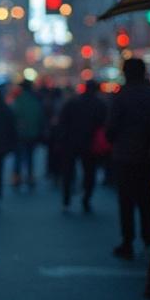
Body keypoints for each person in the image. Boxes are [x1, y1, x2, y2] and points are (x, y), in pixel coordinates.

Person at [106, 58, 150, 259]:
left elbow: (111, 128)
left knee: (126, 201)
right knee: (146, 198)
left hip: (125, 155)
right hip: (148, 156)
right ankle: (149, 239)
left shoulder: (121, 97)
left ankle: (127, 241)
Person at [57, 79, 108, 212]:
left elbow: (62, 123)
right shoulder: (100, 105)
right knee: (89, 173)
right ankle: (86, 199)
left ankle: (66, 200)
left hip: (70, 143)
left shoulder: (72, 103)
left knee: (68, 172)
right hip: (90, 144)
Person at [11, 80, 44, 188]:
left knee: (18, 157)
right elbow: (39, 117)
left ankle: (17, 178)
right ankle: (30, 177)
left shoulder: (18, 100)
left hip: (20, 134)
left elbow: (13, 115)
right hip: (32, 133)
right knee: (30, 157)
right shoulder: (35, 100)